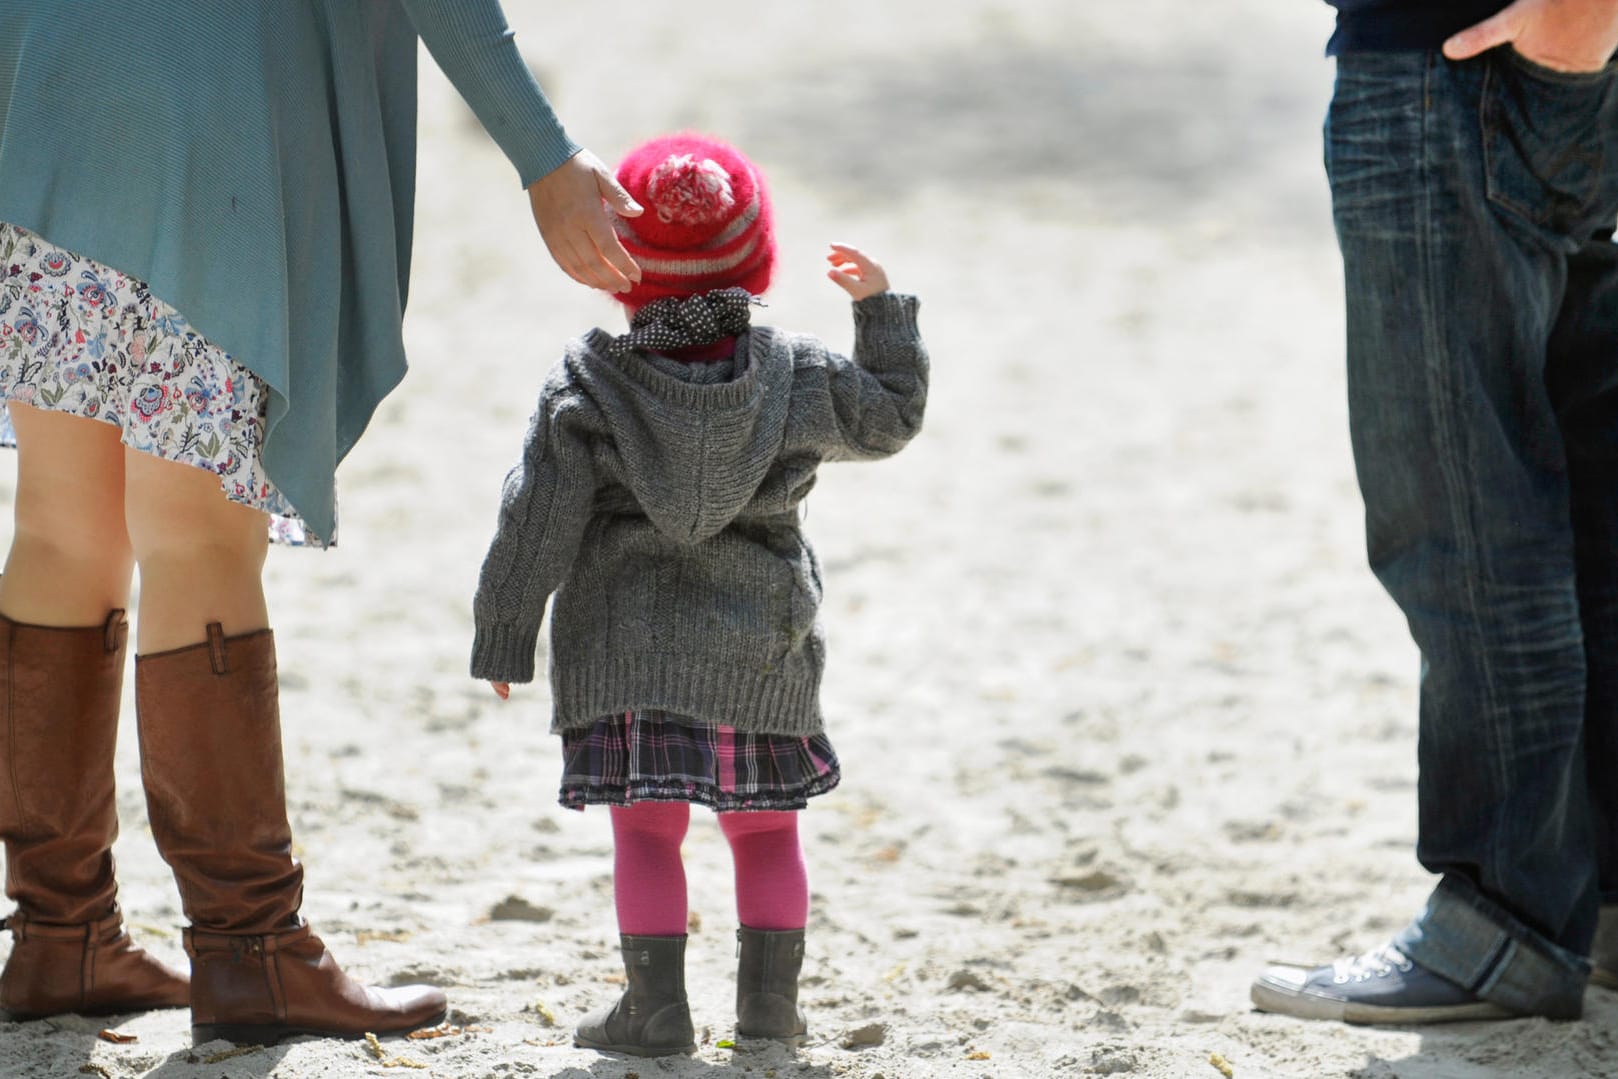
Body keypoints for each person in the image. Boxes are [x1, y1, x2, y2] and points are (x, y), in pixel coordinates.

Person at [0, 0, 643, 1046]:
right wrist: (547, 156)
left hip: (46, 87)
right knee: (197, 536)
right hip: (201, 114)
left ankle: (55, 932)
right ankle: (251, 950)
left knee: (65, 532)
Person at [470, 132, 928, 1057]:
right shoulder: (795, 374)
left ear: (620, 266)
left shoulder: (589, 384)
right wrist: (882, 312)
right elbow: (889, 416)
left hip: (625, 652)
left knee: (645, 835)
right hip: (758, 650)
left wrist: (505, 630)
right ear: (757, 256)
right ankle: (768, 1010)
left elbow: (537, 516)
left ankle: (656, 1009)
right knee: (766, 836)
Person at [1251, 0, 1618, 1024]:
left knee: (1462, 510)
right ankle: (1591, 902)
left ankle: (1507, 920)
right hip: (1509, 58)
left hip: (1459, 59)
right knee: (1581, 495)